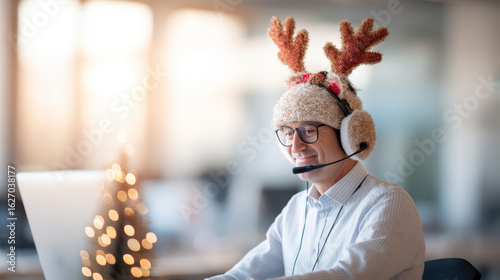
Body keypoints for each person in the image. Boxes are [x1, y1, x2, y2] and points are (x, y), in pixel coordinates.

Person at [206, 16, 425, 280]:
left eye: (309, 131)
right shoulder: (297, 209)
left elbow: (345, 276)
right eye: (287, 133)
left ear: (351, 136)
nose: (295, 146)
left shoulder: (386, 203)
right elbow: (244, 274)